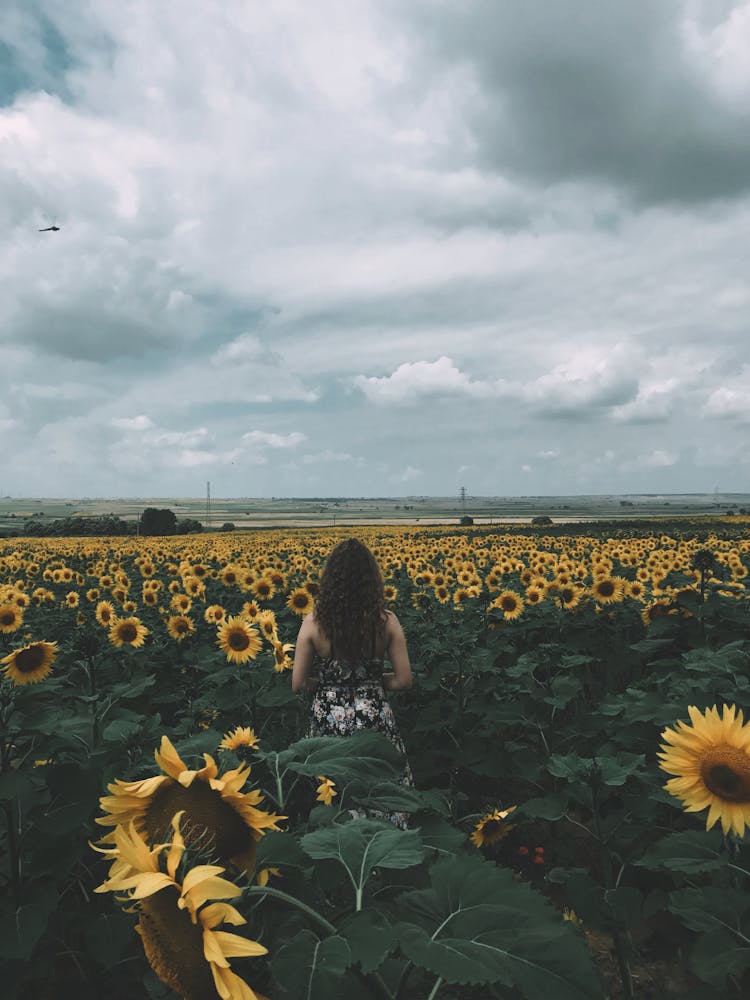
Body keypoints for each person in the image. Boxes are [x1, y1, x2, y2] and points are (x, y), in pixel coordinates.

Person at [292, 537, 413, 825]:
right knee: (380, 786)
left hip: (329, 719)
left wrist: (326, 683)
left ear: (330, 579)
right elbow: (404, 680)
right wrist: (372, 682)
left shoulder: (313, 623)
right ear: (372, 580)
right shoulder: (387, 621)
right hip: (374, 715)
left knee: (333, 791)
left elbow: (298, 683)